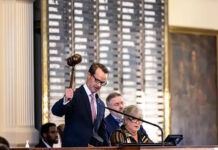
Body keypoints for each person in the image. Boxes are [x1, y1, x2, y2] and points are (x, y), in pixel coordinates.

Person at [52, 62, 109, 147]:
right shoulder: (75, 95)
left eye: (102, 83)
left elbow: (102, 131)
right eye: (97, 80)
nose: (99, 85)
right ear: (89, 75)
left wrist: (108, 148)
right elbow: (56, 111)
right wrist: (65, 100)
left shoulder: (100, 103)